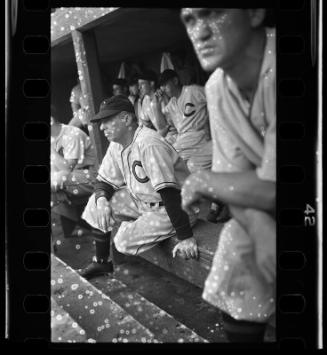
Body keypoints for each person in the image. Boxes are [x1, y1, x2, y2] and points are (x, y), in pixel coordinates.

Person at [180, 8, 276, 342]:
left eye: (212, 13)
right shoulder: (216, 86)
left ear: (253, 13)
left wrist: (203, 182)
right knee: (238, 242)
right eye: (190, 19)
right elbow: (239, 183)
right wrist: (260, 227)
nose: (199, 32)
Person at [79, 95, 199, 280]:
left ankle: (132, 230)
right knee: (96, 202)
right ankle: (102, 262)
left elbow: (170, 192)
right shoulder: (116, 145)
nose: (102, 127)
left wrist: (186, 238)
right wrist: (102, 199)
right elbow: (104, 181)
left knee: (122, 241)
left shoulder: (149, 144)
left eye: (107, 121)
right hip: (144, 201)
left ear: (126, 119)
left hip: (174, 207)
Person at [159, 69, 229, 222]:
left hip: (198, 135)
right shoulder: (170, 105)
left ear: (175, 81)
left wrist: (214, 122)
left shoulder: (193, 91)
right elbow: (171, 126)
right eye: (161, 86)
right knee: (176, 165)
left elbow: (216, 96)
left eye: (165, 84)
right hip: (184, 139)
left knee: (170, 160)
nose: (163, 88)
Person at [51, 105, 97, 238]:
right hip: (73, 179)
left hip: (92, 175)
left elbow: (66, 169)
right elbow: (55, 168)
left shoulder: (71, 134)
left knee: (57, 180)